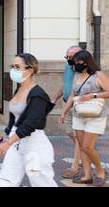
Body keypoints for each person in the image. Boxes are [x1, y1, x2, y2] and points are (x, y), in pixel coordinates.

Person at [0, 53, 57, 187]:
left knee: (41, 183)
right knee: (6, 182)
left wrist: (7, 143)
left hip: (35, 149)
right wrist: (9, 137)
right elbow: (14, 119)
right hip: (16, 145)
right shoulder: (19, 89)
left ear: (29, 71)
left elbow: (30, 124)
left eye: (17, 67)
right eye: (12, 66)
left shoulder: (38, 95)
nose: (13, 70)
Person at [59, 50, 109, 186]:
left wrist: (92, 95)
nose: (76, 64)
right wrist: (64, 112)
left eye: (78, 62)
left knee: (88, 147)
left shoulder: (98, 75)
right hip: (78, 114)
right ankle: (87, 175)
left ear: (87, 62)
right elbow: (71, 95)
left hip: (96, 115)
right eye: (75, 62)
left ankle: (100, 171)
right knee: (81, 146)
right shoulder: (76, 75)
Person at [52, 46, 83, 179]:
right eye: (67, 57)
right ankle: (85, 153)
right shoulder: (67, 66)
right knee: (69, 132)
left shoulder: (84, 69)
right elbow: (65, 84)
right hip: (67, 103)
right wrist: (55, 97)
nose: (69, 60)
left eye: (72, 57)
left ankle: (75, 167)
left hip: (79, 105)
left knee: (77, 135)